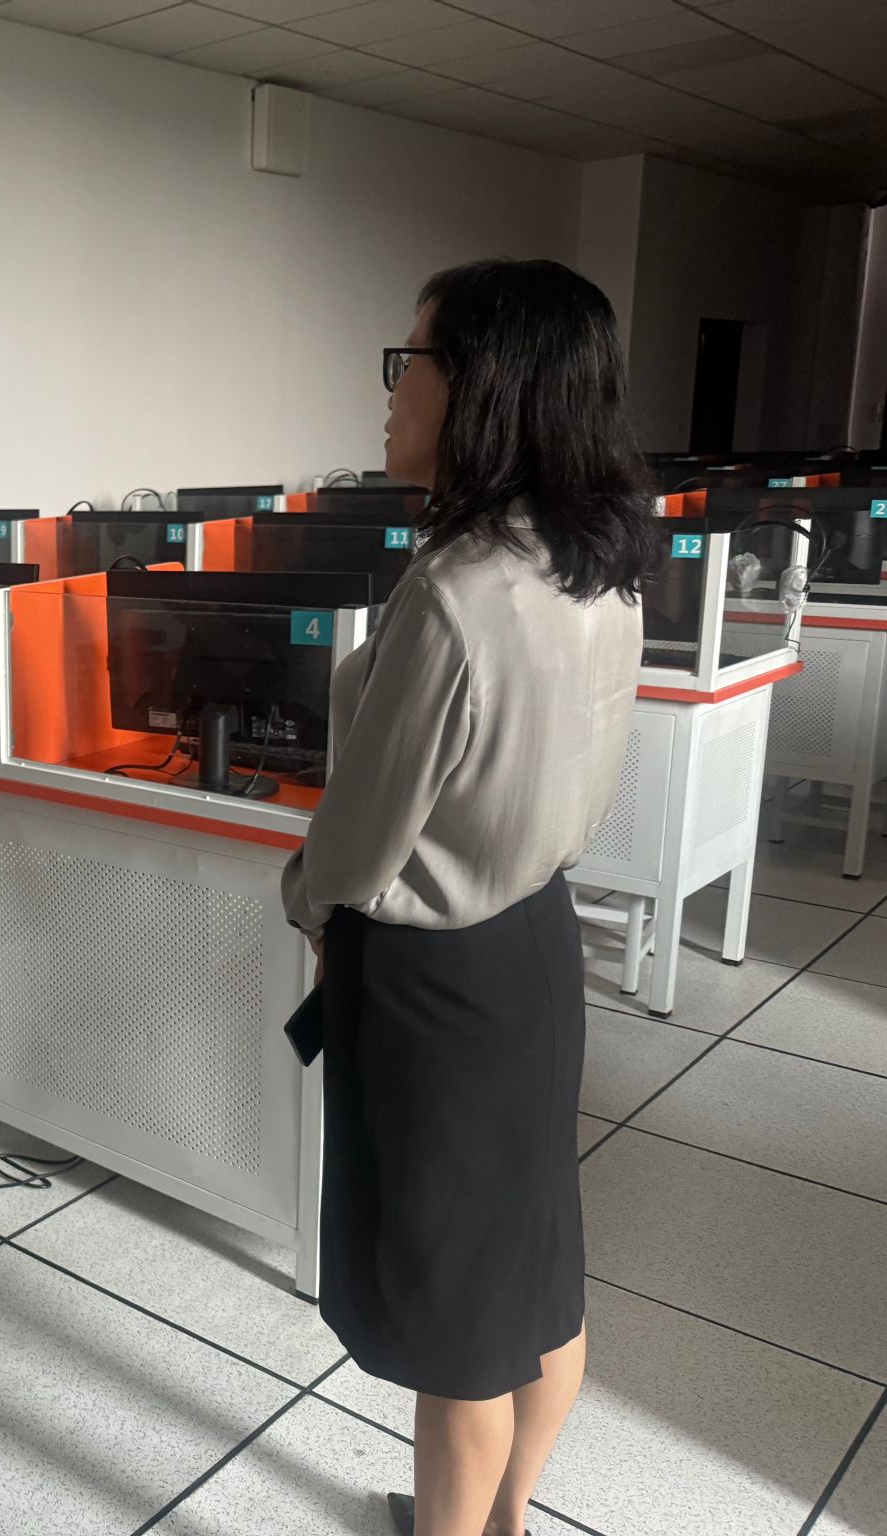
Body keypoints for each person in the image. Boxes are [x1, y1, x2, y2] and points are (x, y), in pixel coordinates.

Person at [280, 259, 648, 1536]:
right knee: (533, 1272)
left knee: (457, 1330)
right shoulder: (597, 564)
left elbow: (359, 838)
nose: (391, 391)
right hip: (534, 948)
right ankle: (506, 1521)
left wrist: (305, 904)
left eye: (411, 361)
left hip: (434, 981)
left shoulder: (455, 594)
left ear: (482, 386)